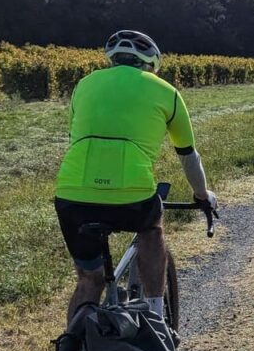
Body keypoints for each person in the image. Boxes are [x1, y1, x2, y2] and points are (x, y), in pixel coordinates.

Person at [54, 30, 216, 323]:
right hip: (131, 192)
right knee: (151, 231)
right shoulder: (167, 92)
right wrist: (202, 196)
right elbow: (188, 156)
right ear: (151, 62)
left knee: (90, 279)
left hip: (72, 191)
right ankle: (155, 315)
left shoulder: (84, 85)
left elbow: (73, 136)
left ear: (112, 59)